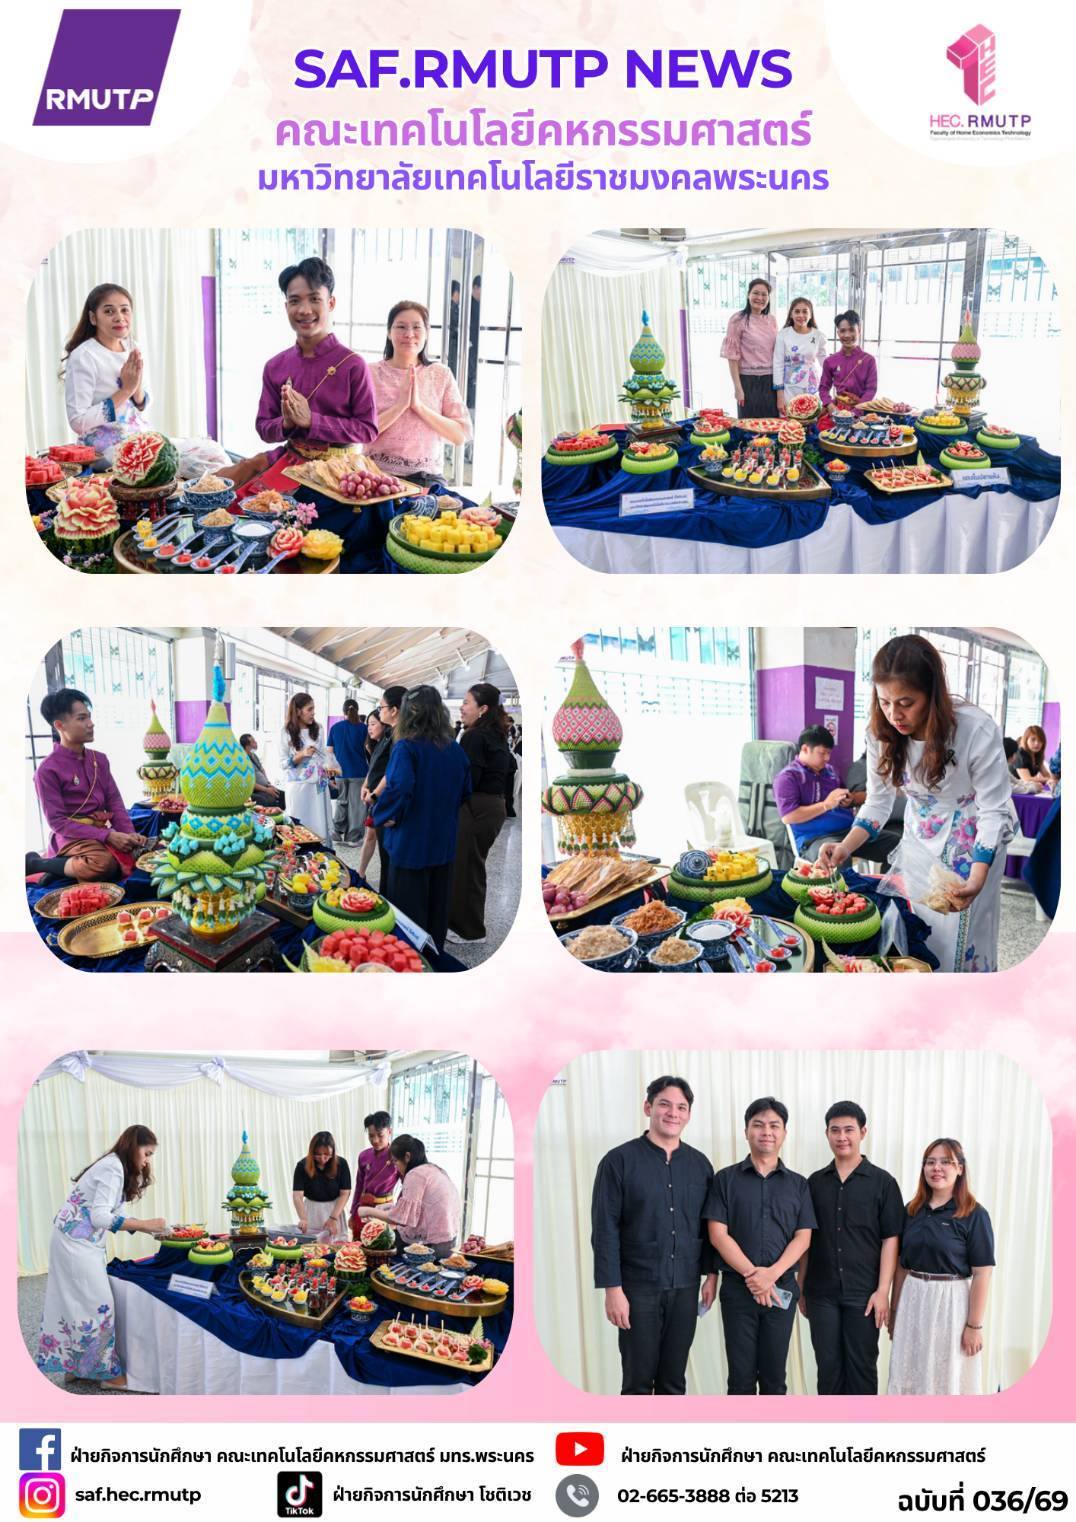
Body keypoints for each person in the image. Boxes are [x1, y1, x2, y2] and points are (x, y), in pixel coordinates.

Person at [818, 634, 1016, 972]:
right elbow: (878, 802)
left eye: (906, 702)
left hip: (973, 837)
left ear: (932, 695)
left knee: (962, 938)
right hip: (920, 837)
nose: (894, 714)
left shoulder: (974, 729)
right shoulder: (881, 733)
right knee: (921, 927)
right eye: (885, 702)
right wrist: (845, 847)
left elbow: (993, 809)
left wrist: (977, 877)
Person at [591, 1076, 717, 1396]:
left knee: (673, 1381)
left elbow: (709, 1227)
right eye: (664, 1104)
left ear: (689, 1115)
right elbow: (605, 1229)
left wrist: (712, 1275)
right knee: (637, 1382)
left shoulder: (701, 1165)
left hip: (686, 1286)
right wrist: (613, 1290)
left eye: (681, 1107)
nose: (673, 1113)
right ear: (648, 1108)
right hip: (637, 1288)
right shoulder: (618, 1161)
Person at [232, 256, 378, 492]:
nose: (304, 310)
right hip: (289, 462)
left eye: (314, 299)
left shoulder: (353, 364)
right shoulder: (275, 366)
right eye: (295, 301)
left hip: (342, 471)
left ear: (330, 303)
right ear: (286, 307)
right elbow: (263, 427)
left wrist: (312, 421)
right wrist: (286, 423)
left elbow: (367, 430)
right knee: (244, 505)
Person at [35, 1125, 165, 1389]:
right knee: (99, 1305)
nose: (147, 1161)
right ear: (134, 1147)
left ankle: (75, 1368)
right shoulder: (112, 1168)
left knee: (74, 1303)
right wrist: (144, 1225)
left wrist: (153, 1229)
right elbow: (100, 1217)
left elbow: (113, 1213)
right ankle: (109, 1375)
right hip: (76, 1245)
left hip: (75, 1242)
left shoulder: (116, 1167)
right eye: (147, 1154)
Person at [705, 1097, 816, 1396]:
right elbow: (718, 1235)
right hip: (738, 1290)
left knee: (774, 1378)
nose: (766, 1131)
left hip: (782, 1288)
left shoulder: (799, 1184)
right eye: (758, 1125)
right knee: (740, 1379)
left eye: (774, 1126)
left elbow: (803, 1237)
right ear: (746, 1131)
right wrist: (755, 1277)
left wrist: (771, 1275)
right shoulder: (725, 1179)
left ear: (784, 1133)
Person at [798, 1102, 904, 1396]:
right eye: (835, 1130)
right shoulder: (814, 1183)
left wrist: (883, 1291)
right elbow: (806, 1239)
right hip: (821, 1293)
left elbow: (891, 1240)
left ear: (863, 1132)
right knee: (827, 1369)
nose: (842, 1137)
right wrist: (801, 1286)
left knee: (862, 1368)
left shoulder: (883, 1183)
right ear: (826, 1134)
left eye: (849, 1130)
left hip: (865, 1294)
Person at [888, 1138, 995, 1395]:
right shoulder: (911, 1211)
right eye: (930, 1162)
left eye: (946, 1162)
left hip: (951, 1305)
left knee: (946, 1377)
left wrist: (974, 1326)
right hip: (913, 1301)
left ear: (960, 1168)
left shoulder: (974, 1214)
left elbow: (982, 1274)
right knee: (909, 1372)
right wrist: (894, 1311)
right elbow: (901, 1266)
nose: (936, 1168)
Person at [372, 685, 472, 951]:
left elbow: (400, 786)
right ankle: (434, 958)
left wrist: (384, 814)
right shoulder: (454, 749)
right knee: (437, 910)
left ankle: (411, 964)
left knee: (408, 918)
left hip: (411, 844)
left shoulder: (407, 747)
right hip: (443, 843)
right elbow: (466, 791)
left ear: (409, 712)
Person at [27, 689, 146, 883]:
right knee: (103, 864)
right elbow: (58, 823)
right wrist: (107, 836)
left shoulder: (100, 760)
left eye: (89, 717)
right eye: (82, 718)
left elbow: (114, 801)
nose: (91, 723)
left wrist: (128, 833)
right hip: (71, 836)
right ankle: (40, 864)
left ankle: (63, 867)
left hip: (101, 831)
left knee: (146, 851)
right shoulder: (47, 770)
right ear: (59, 725)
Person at [366, 301, 472, 487]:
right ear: (389, 332)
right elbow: (359, 433)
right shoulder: (370, 373)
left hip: (427, 479)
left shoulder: (441, 374)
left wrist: (419, 407)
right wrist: (400, 406)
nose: (409, 334)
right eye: (401, 327)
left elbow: (460, 435)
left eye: (416, 327)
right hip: (376, 476)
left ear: (427, 332)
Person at [774, 726, 902, 867]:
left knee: (898, 846)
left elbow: (842, 798)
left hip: (848, 831)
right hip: (816, 838)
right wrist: (826, 805)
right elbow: (789, 817)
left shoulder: (830, 771)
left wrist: (847, 801)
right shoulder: (788, 777)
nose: (827, 758)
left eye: (829, 753)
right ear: (805, 749)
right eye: (822, 753)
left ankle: (889, 881)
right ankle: (845, 883)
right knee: (835, 858)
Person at [447, 683, 515, 944]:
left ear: (483, 708)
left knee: (467, 868)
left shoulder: (475, 736)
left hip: (477, 806)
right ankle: (460, 923)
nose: (462, 708)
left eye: (466, 703)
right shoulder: (494, 733)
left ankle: (471, 931)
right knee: (468, 865)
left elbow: (468, 779)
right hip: (491, 806)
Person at [61, 284, 151, 455]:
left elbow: (141, 404)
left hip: (139, 438)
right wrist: (125, 391)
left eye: (125, 310)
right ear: (93, 318)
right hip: (103, 450)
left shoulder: (133, 347)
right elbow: (78, 421)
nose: (119, 317)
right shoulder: (84, 356)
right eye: (109, 311)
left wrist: (135, 385)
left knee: (200, 454)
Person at [355, 1135, 462, 1259]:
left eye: (395, 1161)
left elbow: (402, 1219)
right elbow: (421, 1208)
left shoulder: (415, 1174)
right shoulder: (434, 1169)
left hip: (432, 1245)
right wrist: (392, 1207)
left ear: (407, 1156)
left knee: (380, 1251)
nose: (395, 1167)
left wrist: (367, 1211)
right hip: (450, 1241)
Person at [279, 692, 338, 842]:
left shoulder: (319, 728)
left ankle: (322, 853)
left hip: (318, 787)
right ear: (298, 711)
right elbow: (283, 763)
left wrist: (329, 770)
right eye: (309, 709)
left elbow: (323, 756)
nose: (313, 713)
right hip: (298, 788)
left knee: (320, 826)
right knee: (299, 827)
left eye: (314, 709)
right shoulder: (286, 732)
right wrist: (301, 755)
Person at [362, 686, 405, 889]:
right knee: (383, 849)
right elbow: (376, 767)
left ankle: (389, 894)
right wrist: (367, 786)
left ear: (394, 710)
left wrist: (375, 795)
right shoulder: (388, 735)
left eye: (381, 707)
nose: (380, 711)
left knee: (388, 852)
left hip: (386, 800)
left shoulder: (399, 737)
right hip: (379, 799)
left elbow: (391, 772)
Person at [721, 278, 779, 418]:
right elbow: (732, 357)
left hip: (771, 380)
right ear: (748, 295)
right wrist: (738, 388)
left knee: (771, 423)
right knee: (748, 425)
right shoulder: (737, 319)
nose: (760, 298)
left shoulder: (771, 320)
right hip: (748, 381)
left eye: (764, 294)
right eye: (756, 293)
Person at [291, 1131, 352, 1239]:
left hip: (335, 1209)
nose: (323, 1158)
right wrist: (303, 1218)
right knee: (312, 1245)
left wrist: (333, 1218)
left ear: (333, 1151)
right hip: (312, 1211)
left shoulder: (341, 1164)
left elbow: (345, 1193)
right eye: (318, 1155)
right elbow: (297, 1196)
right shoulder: (302, 1166)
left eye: (327, 1154)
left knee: (337, 1244)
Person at [773, 296, 827, 415]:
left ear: (811, 314)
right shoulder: (783, 335)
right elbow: (778, 365)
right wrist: (779, 395)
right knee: (790, 420)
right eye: (797, 311)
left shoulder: (818, 336)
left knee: (811, 420)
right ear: (791, 314)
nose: (801, 315)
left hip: (812, 386)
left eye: (805, 311)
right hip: (789, 388)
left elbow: (826, 363)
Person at [348, 1110, 398, 1238]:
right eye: (371, 1136)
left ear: (389, 1132)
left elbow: (407, 1186)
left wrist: (399, 1212)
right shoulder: (363, 1156)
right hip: (363, 1207)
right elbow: (359, 1186)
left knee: (381, 1243)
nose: (375, 1140)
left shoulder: (397, 1157)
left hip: (385, 1209)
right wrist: (353, 1212)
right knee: (358, 1242)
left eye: (380, 1135)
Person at [327, 700, 368, 846]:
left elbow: (330, 753)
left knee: (341, 801)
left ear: (343, 711)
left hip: (340, 772)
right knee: (356, 806)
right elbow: (368, 749)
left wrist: (331, 775)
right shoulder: (364, 728)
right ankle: (353, 837)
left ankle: (337, 832)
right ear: (357, 710)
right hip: (359, 772)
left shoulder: (335, 728)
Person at [819, 310, 877, 408]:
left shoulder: (869, 360)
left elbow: (870, 391)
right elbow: (823, 389)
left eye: (851, 330)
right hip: (837, 411)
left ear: (859, 330)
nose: (847, 335)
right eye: (843, 331)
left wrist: (856, 412)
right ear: (838, 333)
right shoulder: (829, 361)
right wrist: (829, 405)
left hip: (862, 410)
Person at [239, 733, 285, 808]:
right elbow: (249, 783)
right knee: (266, 800)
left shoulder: (254, 756)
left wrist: (268, 784)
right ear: (247, 746)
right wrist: (266, 790)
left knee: (282, 795)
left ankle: (280, 814)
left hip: (265, 786)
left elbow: (262, 770)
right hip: (254, 790)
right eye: (253, 742)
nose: (256, 743)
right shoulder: (242, 761)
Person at [1012, 725, 1053, 791]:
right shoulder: (1020, 754)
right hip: (1014, 790)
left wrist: (1050, 779)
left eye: (1040, 740)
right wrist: (1047, 779)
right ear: (1026, 740)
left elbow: (1047, 775)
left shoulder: (1037, 755)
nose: (1037, 743)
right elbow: (1026, 779)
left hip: (1026, 789)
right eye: (1033, 740)